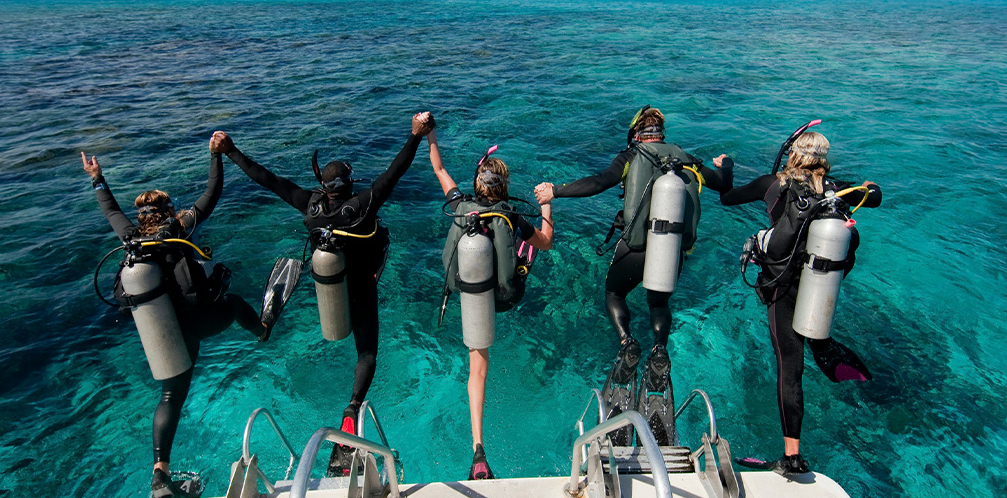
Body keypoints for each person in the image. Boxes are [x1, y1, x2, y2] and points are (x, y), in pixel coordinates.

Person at [210, 113, 434, 476]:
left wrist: (231, 150)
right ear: (347, 184)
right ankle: (352, 408)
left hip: (327, 290)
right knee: (367, 353)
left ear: (324, 186)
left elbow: (268, 179)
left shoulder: (308, 206)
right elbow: (395, 171)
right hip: (361, 286)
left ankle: (265, 323)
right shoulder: (362, 205)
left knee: (309, 280)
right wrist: (415, 136)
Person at [534, 106, 732, 446]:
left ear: (636, 133)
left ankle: (627, 341)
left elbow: (598, 182)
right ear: (661, 133)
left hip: (635, 250)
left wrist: (557, 191)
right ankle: (659, 350)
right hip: (669, 251)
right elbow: (724, 186)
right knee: (659, 300)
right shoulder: (687, 160)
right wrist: (724, 164)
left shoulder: (630, 155)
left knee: (615, 294)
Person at [82, 142, 267, 498]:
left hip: (161, 332)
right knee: (235, 303)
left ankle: (160, 475)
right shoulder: (181, 227)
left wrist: (98, 179)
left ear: (141, 218)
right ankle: (262, 331)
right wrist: (216, 156)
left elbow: (110, 212)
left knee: (170, 396)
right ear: (168, 210)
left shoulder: (131, 239)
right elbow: (212, 192)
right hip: (194, 323)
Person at [720, 129, 882, 476]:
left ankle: (791, 458)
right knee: (808, 343)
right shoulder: (836, 189)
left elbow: (728, 197)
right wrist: (868, 187)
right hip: (818, 282)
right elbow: (875, 196)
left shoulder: (773, 183)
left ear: (793, 153)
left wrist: (727, 166)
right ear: (824, 158)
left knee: (789, 369)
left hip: (782, 288)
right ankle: (823, 344)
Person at [426, 119, 554, 480]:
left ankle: (478, 449)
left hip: (470, 296)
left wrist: (430, 134)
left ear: (477, 184)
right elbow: (546, 238)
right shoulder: (511, 214)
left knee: (477, 369)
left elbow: (439, 167)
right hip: (504, 295)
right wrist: (547, 205)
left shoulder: (458, 204)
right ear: (505, 187)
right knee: (528, 248)